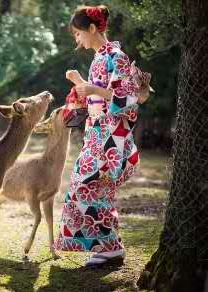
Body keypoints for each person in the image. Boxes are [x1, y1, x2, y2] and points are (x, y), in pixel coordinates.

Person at [54, 4, 140, 267]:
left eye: (78, 33)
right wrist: (80, 82)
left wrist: (92, 88)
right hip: (97, 134)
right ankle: (109, 246)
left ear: (92, 29)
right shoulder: (98, 58)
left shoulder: (117, 56)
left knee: (92, 187)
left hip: (112, 136)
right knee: (85, 188)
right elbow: (95, 94)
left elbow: (130, 98)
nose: (77, 39)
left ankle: (112, 248)